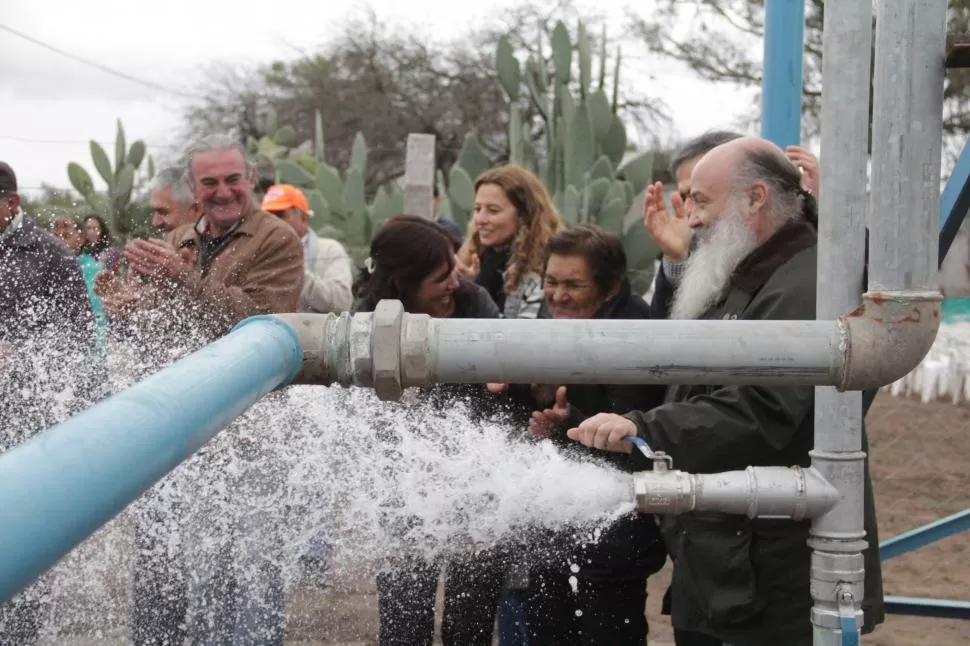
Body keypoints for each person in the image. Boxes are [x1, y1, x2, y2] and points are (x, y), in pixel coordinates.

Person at [567, 137, 883, 645]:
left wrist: (645, 428)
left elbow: (761, 407)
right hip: (726, 561)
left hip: (768, 575)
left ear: (755, 198)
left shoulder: (806, 285)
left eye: (699, 200)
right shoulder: (748, 270)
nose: (689, 217)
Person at [354, 215, 512, 646]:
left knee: (470, 627)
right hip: (402, 488)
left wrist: (502, 378)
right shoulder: (366, 321)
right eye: (441, 277)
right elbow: (362, 414)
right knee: (404, 626)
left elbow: (503, 384)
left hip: (476, 483)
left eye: (455, 268)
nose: (455, 284)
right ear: (401, 288)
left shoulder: (475, 302)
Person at [521, 224, 667, 644]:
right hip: (557, 513)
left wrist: (568, 420)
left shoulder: (635, 330)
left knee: (607, 629)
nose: (557, 295)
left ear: (610, 288)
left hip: (616, 524)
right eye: (551, 282)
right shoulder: (554, 315)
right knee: (548, 626)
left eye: (573, 285)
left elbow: (628, 428)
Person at [0, 161, 98, 645]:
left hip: (25, 418)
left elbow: (79, 345)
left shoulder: (49, 254)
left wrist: (18, 353)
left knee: (15, 531)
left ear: (11, 204)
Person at [456, 164, 561, 319]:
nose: (480, 220)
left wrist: (474, 294)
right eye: (478, 209)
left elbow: (518, 336)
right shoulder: (472, 262)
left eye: (493, 211)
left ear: (524, 215)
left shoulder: (545, 272)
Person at [261, 183, 353, 314]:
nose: (272, 221)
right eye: (267, 216)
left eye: (280, 214)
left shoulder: (329, 250)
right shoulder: (255, 252)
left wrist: (293, 272)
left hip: (316, 333)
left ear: (303, 218)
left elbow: (341, 303)